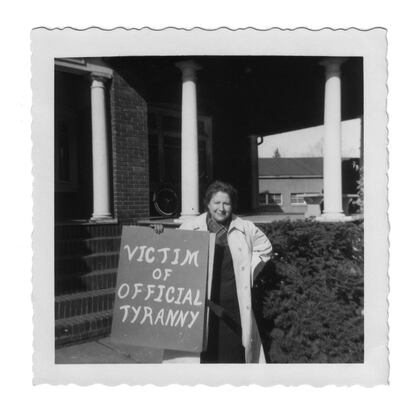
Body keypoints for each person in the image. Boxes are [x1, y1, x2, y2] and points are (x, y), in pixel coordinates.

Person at [155, 181, 273, 363]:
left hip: (232, 305)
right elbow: (170, 255)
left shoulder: (245, 228)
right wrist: (159, 236)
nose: (221, 208)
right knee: (201, 357)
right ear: (208, 204)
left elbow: (265, 248)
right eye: (216, 203)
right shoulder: (190, 227)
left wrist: (247, 274)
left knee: (231, 356)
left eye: (226, 203)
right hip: (200, 305)